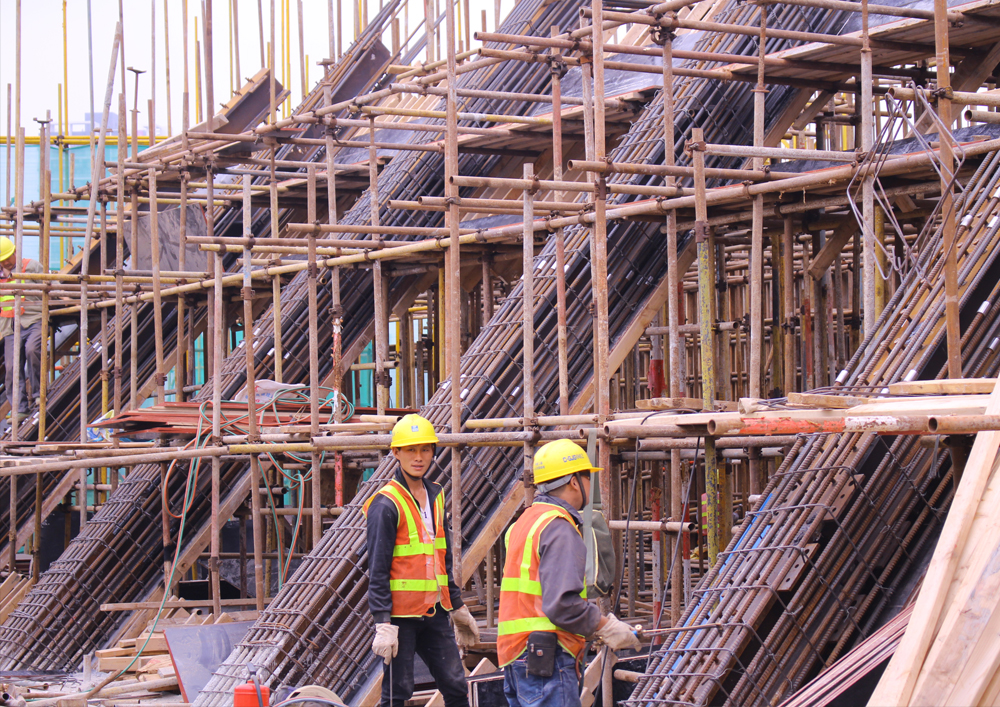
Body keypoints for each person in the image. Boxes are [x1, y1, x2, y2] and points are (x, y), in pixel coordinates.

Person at [499, 439, 642, 707]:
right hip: (548, 661)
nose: (592, 485)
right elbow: (562, 604)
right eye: (588, 477)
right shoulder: (559, 528)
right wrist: (606, 625)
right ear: (574, 481)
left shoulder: (526, 521)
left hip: (517, 657)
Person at [364, 413, 480, 707]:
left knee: (456, 686)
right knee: (397, 693)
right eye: (411, 450)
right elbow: (377, 569)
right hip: (401, 619)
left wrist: (456, 605)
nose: (419, 457)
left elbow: (442, 558)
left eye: (425, 449)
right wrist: (382, 622)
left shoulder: (436, 495)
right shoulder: (386, 503)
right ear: (396, 453)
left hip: (434, 612)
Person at [0, 237, 44, 420]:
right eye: (2, 260)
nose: (5, 262)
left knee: (32, 350)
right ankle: (19, 407)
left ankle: (37, 396)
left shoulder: (31, 267)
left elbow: (51, 286)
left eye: (7, 258)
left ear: (15, 253)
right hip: (10, 327)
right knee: (11, 366)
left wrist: (64, 303)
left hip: (33, 320)